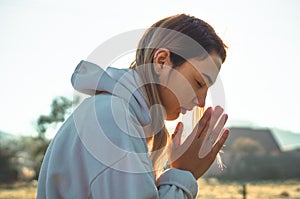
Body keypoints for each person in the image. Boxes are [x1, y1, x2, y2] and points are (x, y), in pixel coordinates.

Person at [36, 13, 229, 199]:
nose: (202, 101)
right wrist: (182, 174)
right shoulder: (113, 120)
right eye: (198, 83)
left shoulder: (122, 117)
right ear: (162, 62)